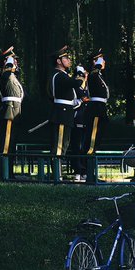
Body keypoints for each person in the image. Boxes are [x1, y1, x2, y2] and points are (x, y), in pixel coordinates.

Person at [48, 46, 84, 183]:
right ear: (59, 61)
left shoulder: (61, 75)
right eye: (66, 58)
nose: (69, 60)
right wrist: (80, 75)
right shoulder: (59, 75)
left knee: (64, 145)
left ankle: (59, 174)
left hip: (65, 113)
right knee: (59, 146)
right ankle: (57, 176)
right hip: (61, 114)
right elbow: (75, 83)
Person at [0, 46, 23, 181]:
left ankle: (9, 173)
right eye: (13, 60)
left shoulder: (12, 76)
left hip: (14, 112)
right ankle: (4, 174)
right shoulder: (4, 75)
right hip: (9, 113)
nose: (16, 63)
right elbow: (7, 73)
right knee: (5, 146)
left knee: (11, 146)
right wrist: (9, 62)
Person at [82, 50, 109, 185]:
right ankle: (88, 174)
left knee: (96, 141)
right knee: (91, 143)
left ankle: (91, 173)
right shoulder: (93, 74)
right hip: (95, 110)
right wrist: (97, 65)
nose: (103, 62)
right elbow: (93, 73)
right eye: (101, 60)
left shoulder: (99, 75)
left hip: (100, 109)